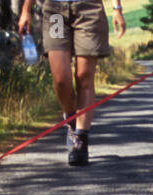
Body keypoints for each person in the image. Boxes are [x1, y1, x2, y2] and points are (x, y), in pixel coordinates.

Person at [19, 0, 126, 166]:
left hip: (88, 9)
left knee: (84, 75)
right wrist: (26, 9)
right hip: (56, 12)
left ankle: (81, 139)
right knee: (61, 79)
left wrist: (117, 8)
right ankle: (72, 120)